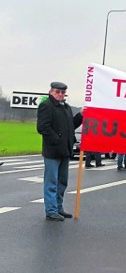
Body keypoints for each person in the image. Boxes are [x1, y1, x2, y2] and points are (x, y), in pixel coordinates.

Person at [36, 81, 82, 221]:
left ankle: (58, 207)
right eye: (57, 92)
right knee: (51, 182)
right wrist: (57, 139)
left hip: (65, 150)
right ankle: (51, 210)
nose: (60, 95)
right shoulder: (46, 106)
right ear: (51, 92)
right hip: (53, 151)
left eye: (62, 93)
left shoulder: (66, 108)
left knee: (62, 182)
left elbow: (70, 126)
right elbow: (42, 127)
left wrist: (80, 115)